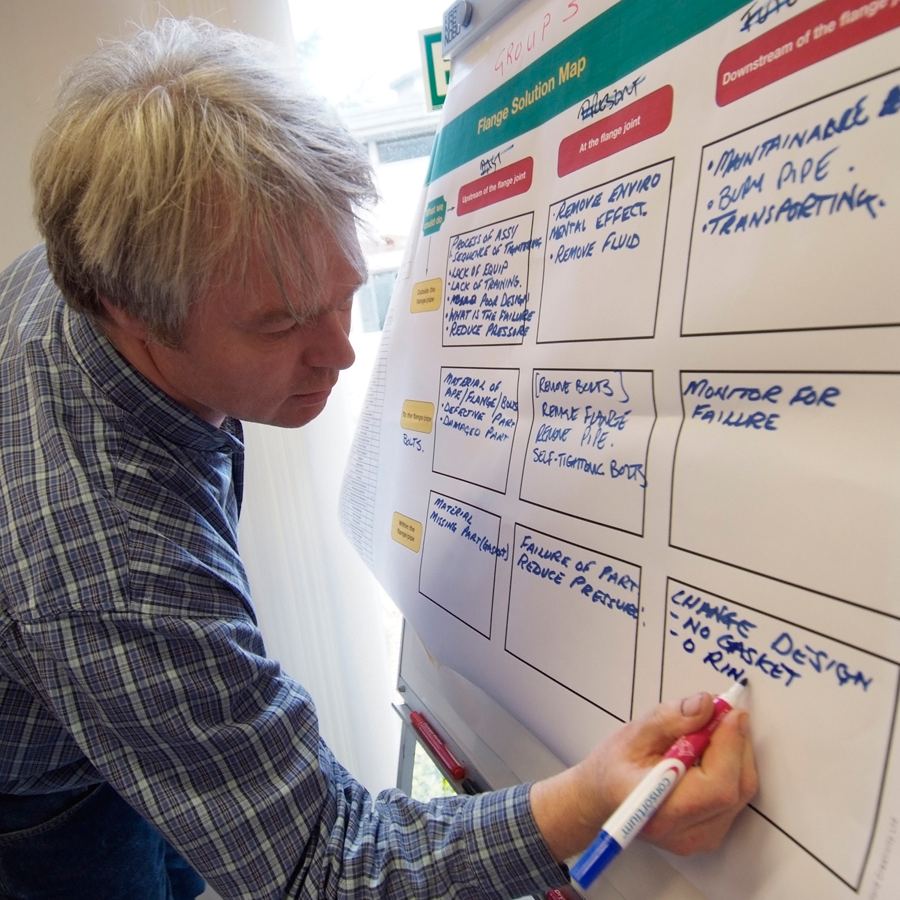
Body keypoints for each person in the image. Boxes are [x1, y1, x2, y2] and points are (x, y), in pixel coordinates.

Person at [0, 18, 757, 900]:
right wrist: (587, 797)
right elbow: (318, 864)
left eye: (346, 295)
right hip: (43, 802)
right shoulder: (111, 564)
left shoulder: (94, 254)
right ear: (128, 314)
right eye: (279, 324)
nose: (343, 353)